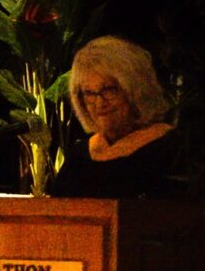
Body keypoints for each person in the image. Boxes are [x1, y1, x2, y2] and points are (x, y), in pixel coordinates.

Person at [51, 35, 185, 199]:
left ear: (135, 89)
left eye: (108, 90)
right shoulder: (80, 157)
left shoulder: (169, 149)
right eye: (90, 93)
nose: (99, 103)